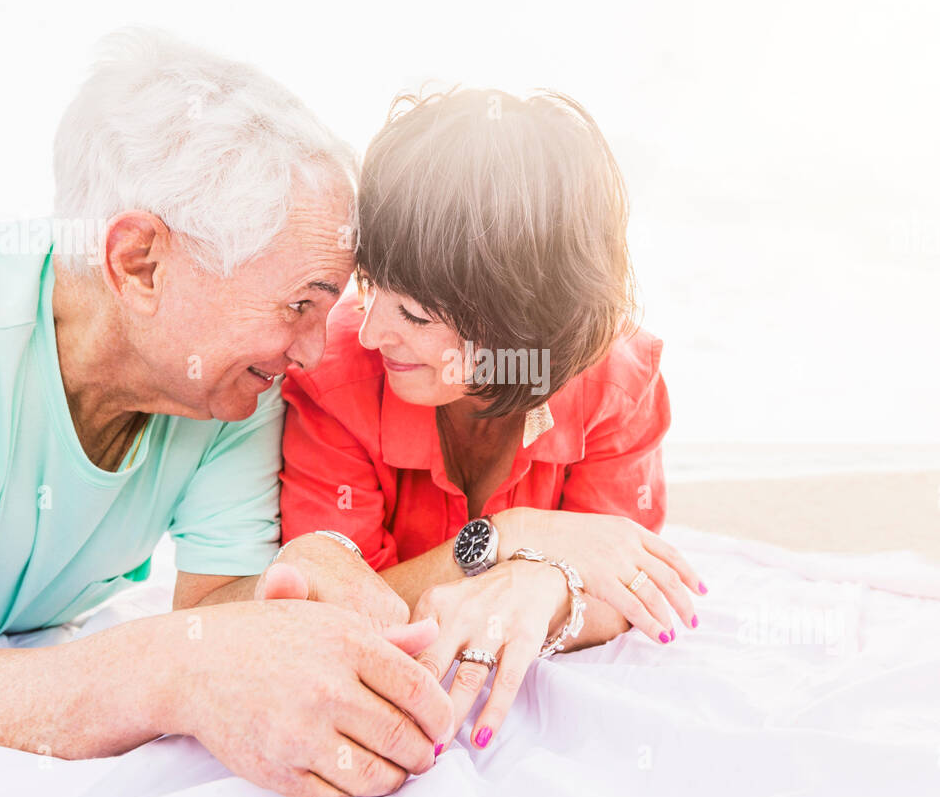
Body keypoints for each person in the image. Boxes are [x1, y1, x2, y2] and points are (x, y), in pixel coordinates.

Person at [0, 29, 452, 797]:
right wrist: (170, 672)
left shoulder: (229, 389)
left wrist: (303, 573)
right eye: (300, 304)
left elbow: (209, 606)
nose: (313, 353)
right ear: (140, 262)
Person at [280, 88, 706, 754]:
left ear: (522, 326)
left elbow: (629, 586)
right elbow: (348, 603)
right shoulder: (334, 380)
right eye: (370, 285)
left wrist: (544, 589)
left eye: (414, 316)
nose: (368, 331)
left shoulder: (619, 380)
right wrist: (512, 535)